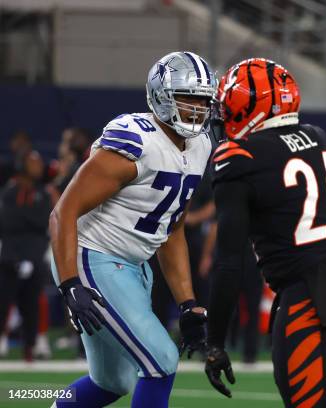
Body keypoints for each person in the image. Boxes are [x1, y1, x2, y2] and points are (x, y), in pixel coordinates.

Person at [204, 58, 326, 407]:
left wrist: (215, 342)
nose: (222, 115)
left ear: (249, 106)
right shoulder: (316, 137)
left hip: (308, 302)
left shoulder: (238, 156)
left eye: (227, 105)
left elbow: (228, 263)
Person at [48, 51, 215, 408]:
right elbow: (64, 212)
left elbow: (172, 229)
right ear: (161, 96)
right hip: (93, 258)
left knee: (112, 381)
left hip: (135, 265)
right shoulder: (136, 140)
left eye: (203, 99)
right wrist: (69, 283)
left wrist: (187, 304)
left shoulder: (201, 145)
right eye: (188, 97)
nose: (197, 108)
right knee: (162, 360)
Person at [0, 150, 51, 361]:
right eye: (34, 163)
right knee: (3, 301)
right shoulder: (9, 193)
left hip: (35, 257)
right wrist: (15, 259)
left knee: (32, 304)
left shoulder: (43, 193)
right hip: (10, 258)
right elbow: (8, 225)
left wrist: (31, 258)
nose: (39, 167)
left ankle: (31, 346)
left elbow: (42, 223)